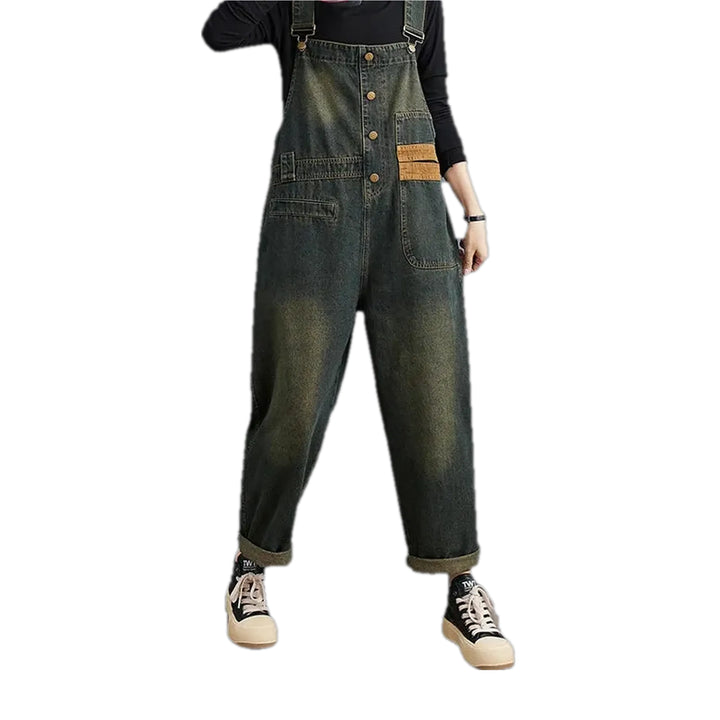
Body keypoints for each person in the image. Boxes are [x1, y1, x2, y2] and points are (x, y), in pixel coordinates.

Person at [202, 0, 515, 669]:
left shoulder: (419, 6)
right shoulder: (294, 7)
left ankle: (460, 587)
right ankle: (251, 566)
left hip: (416, 213)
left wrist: (474, 209)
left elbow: (435, 105)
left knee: (436, 404)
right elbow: (218, 31)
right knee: (292, 403)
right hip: (310, 221)